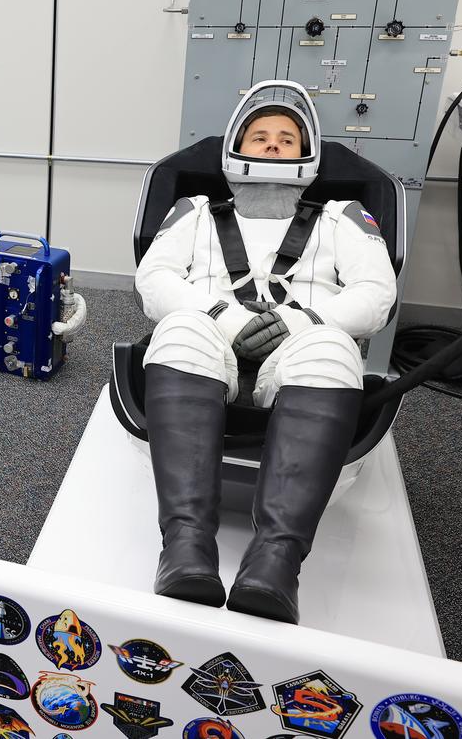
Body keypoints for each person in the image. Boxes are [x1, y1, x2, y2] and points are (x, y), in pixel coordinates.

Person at [134, 80, 397, 624]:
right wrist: (225, 319)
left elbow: (376, 293)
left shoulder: (343, 216)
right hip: (208, 342)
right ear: (236, 147)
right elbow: (155, 278)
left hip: (303, 347)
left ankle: (275, 563)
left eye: (286, 137)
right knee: (178, 329)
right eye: (259, 136)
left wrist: (300, 321)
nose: (273, 145)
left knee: (333, 349)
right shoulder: (193, 211)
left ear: (308, 154)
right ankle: (186, 549)